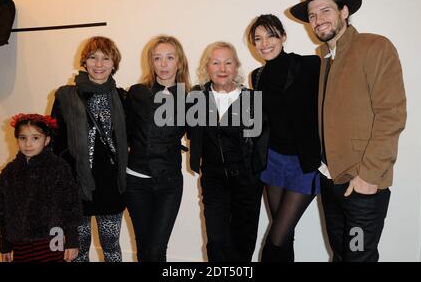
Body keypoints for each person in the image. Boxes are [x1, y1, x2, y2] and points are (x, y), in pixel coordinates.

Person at [289, 0, 407, 261]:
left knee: (357, 257)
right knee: (342, 255)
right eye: (312, 15)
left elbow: (392, 115)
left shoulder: (375, 47)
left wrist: (368, 175)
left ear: (344, 12)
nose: (318, 20)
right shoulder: (324, 58)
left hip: (362, 186)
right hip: (330, 184)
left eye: (325, 11)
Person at [248, 15, 321, 262]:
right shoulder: (257, 76)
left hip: (304, 165)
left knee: (275, 240)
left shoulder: (310, 66)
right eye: (257, 39)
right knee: (285, 236)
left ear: (283, 37)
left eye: (270, 35)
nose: (264, 43)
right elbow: (260, 121)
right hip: (273, 162)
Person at [51, 36, 128, 262]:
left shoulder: (123, 97)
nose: (99, 64)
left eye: (106, 58)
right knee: (77, 249)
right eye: (93, 57)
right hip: (75, 186)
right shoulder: (65, 96)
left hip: (112, 185)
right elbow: (56, 143)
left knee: (111, 246)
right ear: (84, 62)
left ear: (114, 64)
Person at [189, 41, 264, 262]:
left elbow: (263, 140)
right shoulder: (196, 99)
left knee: (243, 243)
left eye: (228, 62)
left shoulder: (252, 98)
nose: (222, 69)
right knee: (217, 242)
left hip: (247, 181)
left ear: (236, 66)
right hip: (214, 181)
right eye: (216, 63)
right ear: (207, 67)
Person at [124, 35, 191, 262]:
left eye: (169, 58)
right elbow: (123, 134)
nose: (163, 64)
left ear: (179, 62)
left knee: (156, 250)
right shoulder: (136, 93)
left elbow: (202, 137)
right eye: (157, 58)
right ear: (151, 63)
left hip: (169, 184)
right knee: (144, 248)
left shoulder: (190, 98)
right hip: (136, 182)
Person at [0, 113, 82, 262]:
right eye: (23, 138)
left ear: (46, 140)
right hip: (21, 241)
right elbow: (3, 210)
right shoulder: (9, 172)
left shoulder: (59, 167)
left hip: (54, 236)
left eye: (35, 138)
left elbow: (70, 207)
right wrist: (5, 245)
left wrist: (72, 242)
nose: (28, 144)